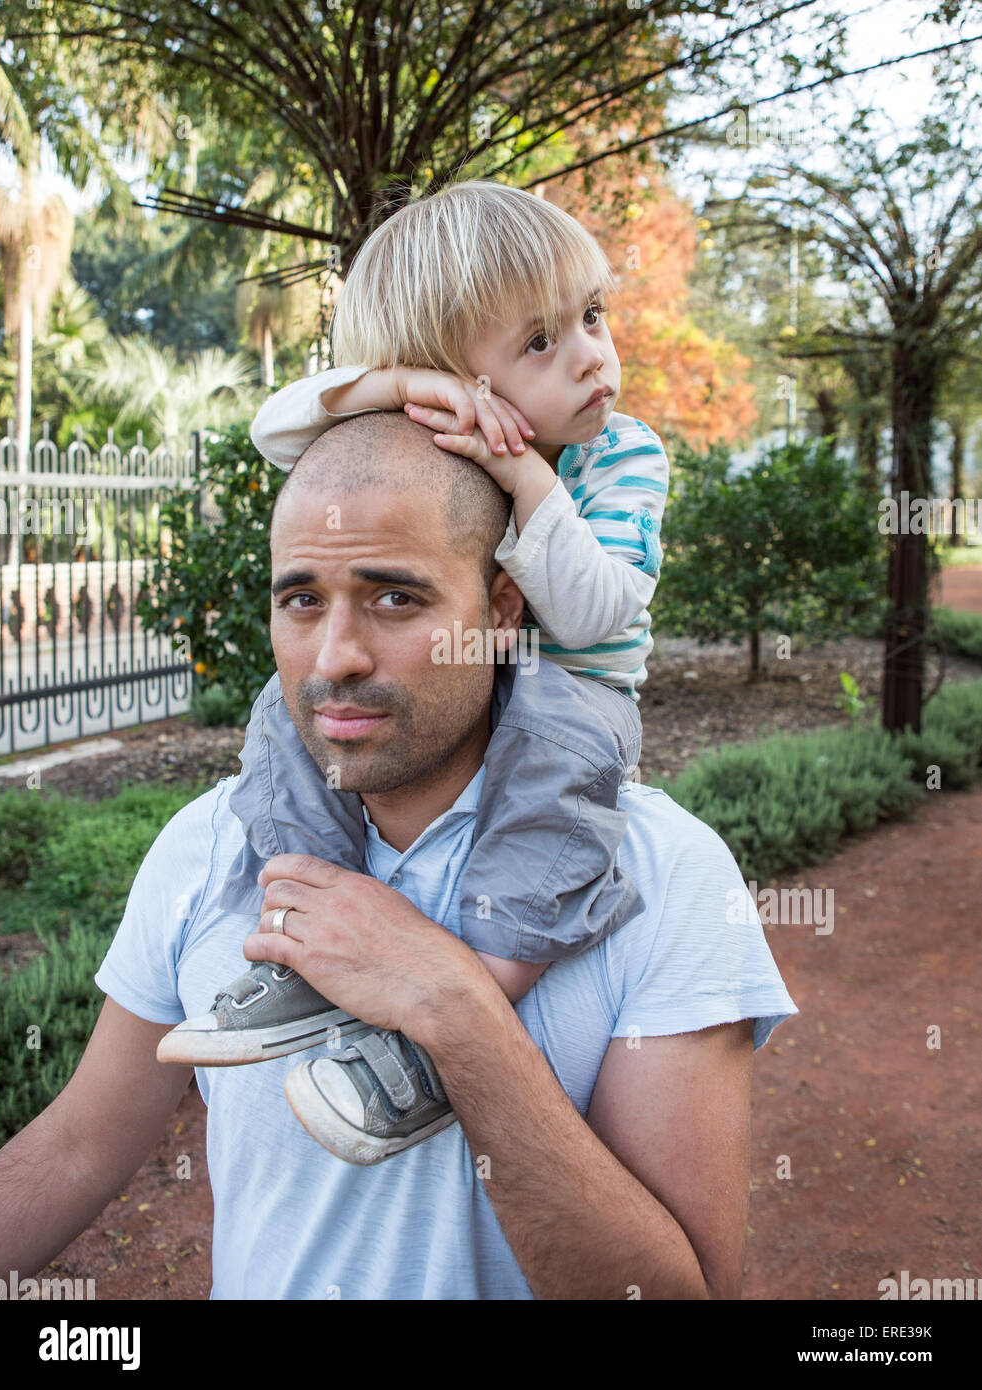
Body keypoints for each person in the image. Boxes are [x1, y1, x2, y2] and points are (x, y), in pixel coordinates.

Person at [0, 413, 798, 1300]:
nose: (334, 658)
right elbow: (75, 1148)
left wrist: (455, 1008)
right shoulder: (210, 844)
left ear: (498, 609)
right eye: (301, 599)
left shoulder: (663, 873)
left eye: (395, 598)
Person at [158, 181, 671, 1164]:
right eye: (538, 341)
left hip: (569, 683)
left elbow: (600, 607)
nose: (590, 356)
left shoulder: (620, 455)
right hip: (445, 674)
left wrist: (524, 479)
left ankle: (449, 1033)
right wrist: (393, 391)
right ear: (453, 376)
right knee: (287, 712)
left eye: (592, 317)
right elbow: (277, 427)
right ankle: (305, 922)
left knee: (553, 802)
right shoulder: (428, 440)